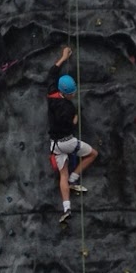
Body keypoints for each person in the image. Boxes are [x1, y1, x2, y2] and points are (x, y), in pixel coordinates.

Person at [47, 44, 98, 224]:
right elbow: (71, 124)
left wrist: (63, 57)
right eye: (73, 91)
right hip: (67, 142)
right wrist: (75, 117)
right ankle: (74, 178)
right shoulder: (68, 107)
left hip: (54, 144)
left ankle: (67, 208)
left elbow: (52, 73)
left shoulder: (52, 94)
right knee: (92, 154)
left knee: (62, 174)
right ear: (68, 93)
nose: (74, 93)